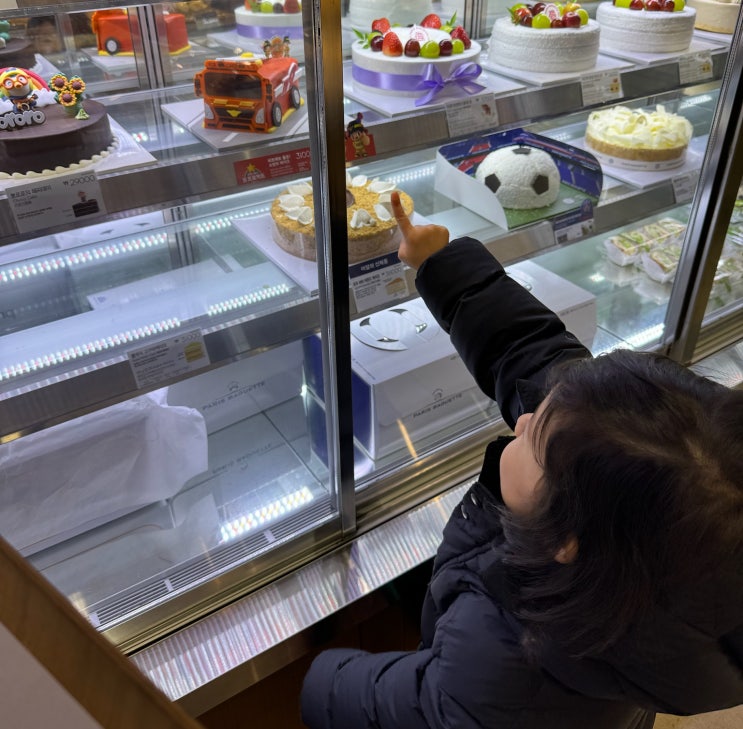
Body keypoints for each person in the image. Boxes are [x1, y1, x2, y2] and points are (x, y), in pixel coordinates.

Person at [300, 192, 743, 729]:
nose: (524, 420)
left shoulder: (509, 662)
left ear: (566, 542)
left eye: (536, 441)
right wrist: (442, 266)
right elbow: (535, 352)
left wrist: (320, 678)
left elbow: (406, 708)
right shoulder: (667, 557)